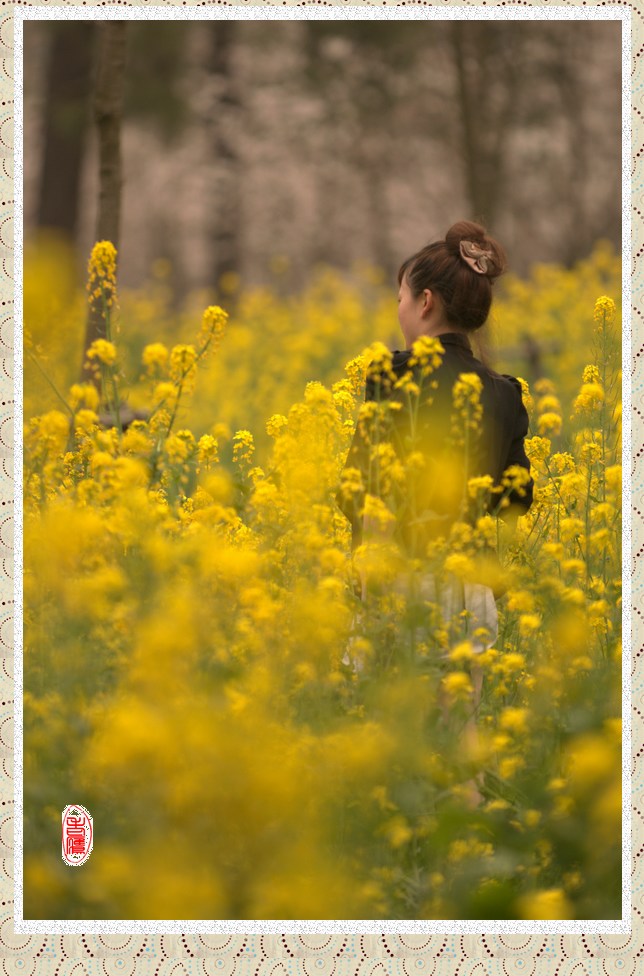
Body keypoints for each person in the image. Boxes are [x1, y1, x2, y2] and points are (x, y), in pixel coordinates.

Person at [336, 221, 534, 791]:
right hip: (468, 586)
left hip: (397, 575)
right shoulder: (503, 392)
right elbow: (514, 497)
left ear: (424, 303)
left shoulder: (393, 377)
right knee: (460, 742)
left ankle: (395, 867)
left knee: (384, 742)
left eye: (400, 296)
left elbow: (363, 487)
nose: (397, 309)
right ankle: (464, 861)